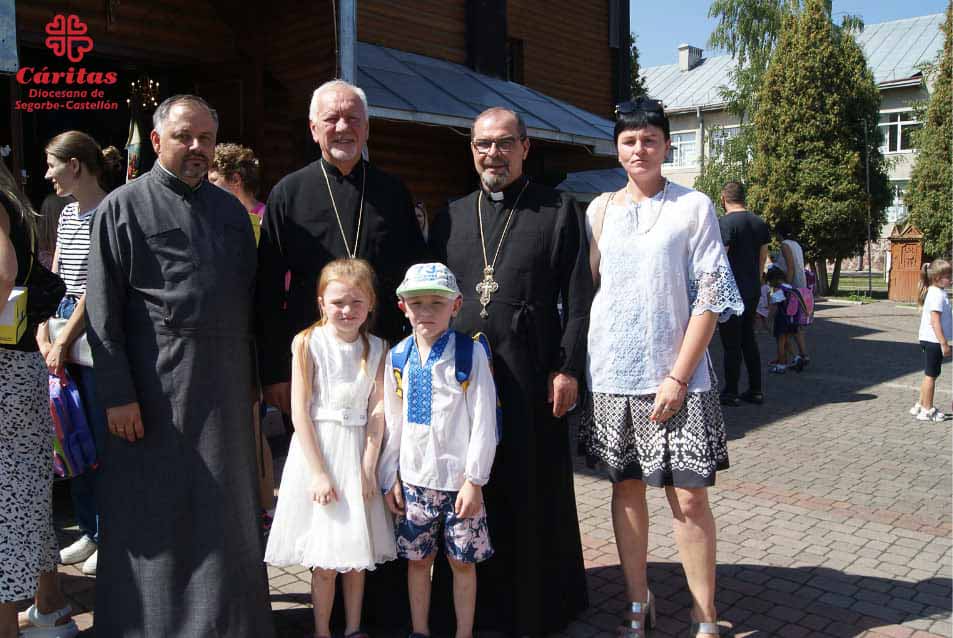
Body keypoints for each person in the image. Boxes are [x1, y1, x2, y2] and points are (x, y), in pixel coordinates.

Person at [85, 94, 274, 637]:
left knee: (225, 516)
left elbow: (250, 302)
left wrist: (255, 382)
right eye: (184, 136)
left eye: (205, 139)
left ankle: (228, 625)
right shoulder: (122, 207)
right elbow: (102, 312)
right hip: (154, 391)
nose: (196, 147)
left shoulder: (231, 213)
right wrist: (118, 394)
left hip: (225, 388)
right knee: (155, 512)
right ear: (156, 138)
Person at [580, 98, 743, 638]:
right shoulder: (599, 209)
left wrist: (678, 376)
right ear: (616, 149)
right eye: (629, 141)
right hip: (614, 375)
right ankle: (637, 599)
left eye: (650, 139)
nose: (639, 149)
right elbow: (589, 291)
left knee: (689, 498)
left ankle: (703, 612)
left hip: (679, 378)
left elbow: (711, 297)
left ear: (667, 146)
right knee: (626, 490)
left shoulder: (693, 206)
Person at [429, 107, 593, 635]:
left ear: (525, 147)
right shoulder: (451, 215)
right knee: (470, 485)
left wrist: (567, 368)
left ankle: (533, 605)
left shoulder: (559, 210)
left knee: (529, 485)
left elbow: (579, 298)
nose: (492, 154)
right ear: (472, 150)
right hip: (462, 377)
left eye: (503, 143)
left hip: (530, 372)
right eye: (483, 144)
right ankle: (472, 603)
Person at [256, 79, 428, 418]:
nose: (342, 128)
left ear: (366, 129)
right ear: (313, 129)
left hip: (382, 353)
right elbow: (267, 287)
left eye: (352, 119)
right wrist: (275, 372)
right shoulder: (288, 194)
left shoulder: (393, 193)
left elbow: (415, 275)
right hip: (311, 357)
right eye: (331, 119)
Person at [265, 258, 396, 637]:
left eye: (356, 302)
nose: (347, 310)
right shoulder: (309, 343)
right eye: (338, 302)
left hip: (357, 454)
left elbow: (378, 409)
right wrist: (319, 472)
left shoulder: (377, 347)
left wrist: (368, 466)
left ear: (370, 305)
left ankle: (353, 628)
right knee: (324, 561)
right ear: (322, 302)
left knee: (356, 557)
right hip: (320, 453)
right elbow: (300, 412)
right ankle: (322, 629)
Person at [380, 263, 498, 638]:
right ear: (403, 307)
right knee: (418, 562)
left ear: (456, 305)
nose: (426, 311)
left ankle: (464, 633)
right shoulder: (397, 357)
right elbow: (392, 424)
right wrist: (389, 476)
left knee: (462, 563)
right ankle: (420, 630)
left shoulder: (469, 354)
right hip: (414, 484)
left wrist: (475, 481)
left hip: (460, 484)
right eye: (417, 303)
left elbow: (484, 421)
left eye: (437, 302)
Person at [36, 131, 123, 577]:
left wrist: (63, 339)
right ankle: (89, 528)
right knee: (71, 438)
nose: (47, 174)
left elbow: (96, 288)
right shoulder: (67, 213)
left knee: (96, 440)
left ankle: (111, 533)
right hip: (62, 328)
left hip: (89, 335)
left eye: (52, 164)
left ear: (74, 165)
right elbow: (55, 278)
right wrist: (43, 329)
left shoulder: (108, 211)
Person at [0, 160, 78, 638]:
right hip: (19, 363)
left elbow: (2, 271)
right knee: (25, 492)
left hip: (6, 369)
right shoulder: (13, 204)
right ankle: (50, 607)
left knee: (8, 500)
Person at [208, 142, 276, 526]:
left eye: (214, 180)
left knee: (252, 426)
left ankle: (263, 507)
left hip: (252, 337)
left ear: (234, 180)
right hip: (226, 336)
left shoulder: (262, 219)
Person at [716, 181, 770, 406]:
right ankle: (756, 390)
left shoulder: (724, 223)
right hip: (752, 289)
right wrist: (756, 281)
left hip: (731, 291)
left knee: (731, 344)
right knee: (749, 339)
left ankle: (731, 391)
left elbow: (721, 258)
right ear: (743, 197)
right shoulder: (759, 223)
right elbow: (763, 257)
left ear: (723, 198)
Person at [910, 259, 952, 422]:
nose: (951, 279)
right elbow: (935, 322)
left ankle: (920, 404)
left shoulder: (937, 292)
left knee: (930, 374)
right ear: (937, 278)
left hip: (930, 340)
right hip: (934, 341)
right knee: (931, 376)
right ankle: (927, 410)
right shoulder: (936, 295)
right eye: (948, 276)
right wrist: (944, 343)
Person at [209, 142, 266, 243]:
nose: (208, 187)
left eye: (214, 180)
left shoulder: (266, 219)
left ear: (235, 180)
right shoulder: (215, 216)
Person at [773, 221, 810, 368]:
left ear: (779, 233)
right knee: (795, 326)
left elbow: (790, 268)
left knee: (783, 327)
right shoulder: (796, 245)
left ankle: (786, 358)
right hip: (800, 288)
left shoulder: (785, 245)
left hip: (791, 289)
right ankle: (803, 355)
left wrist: (785, 288)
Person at [765, 266, 808, 374]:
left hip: (781, 320)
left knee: (780, 343)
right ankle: (797, 359)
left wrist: (768, 320)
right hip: (792, 320)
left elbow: (773, 307)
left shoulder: (778, 290)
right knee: (786, 341)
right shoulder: (790, 287)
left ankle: (781, 365)